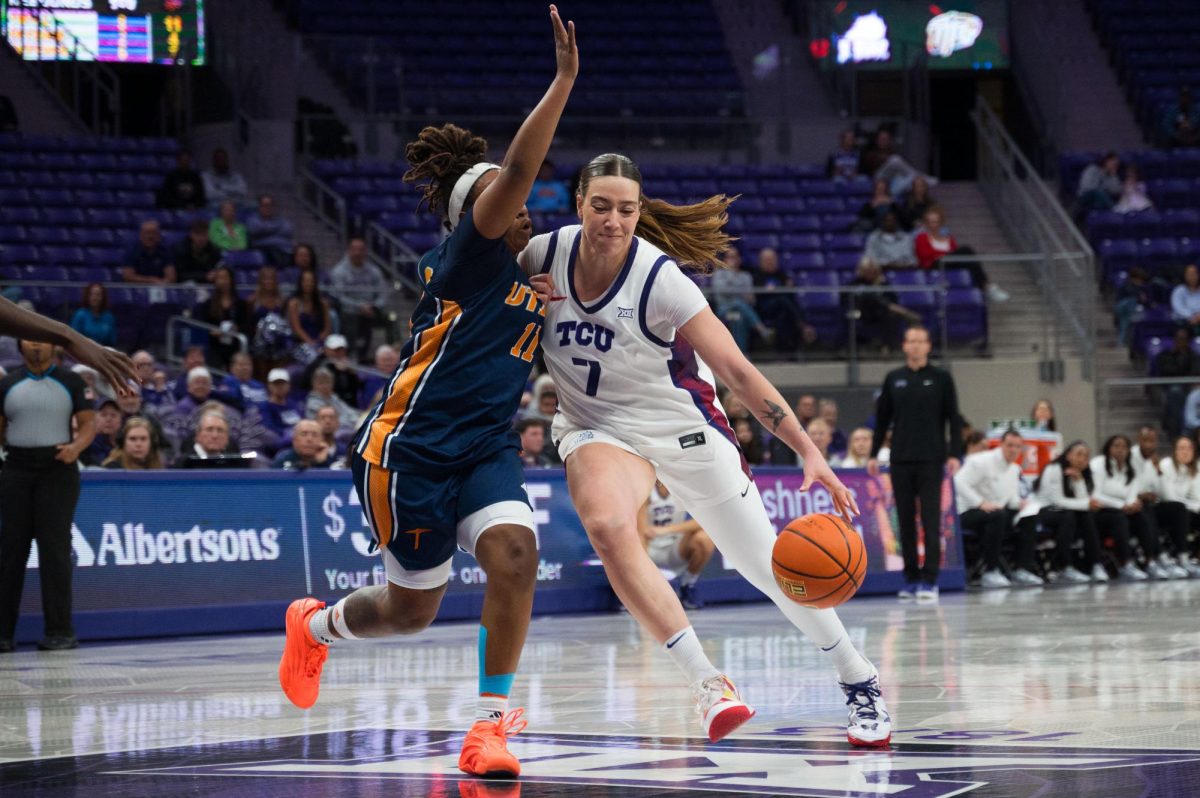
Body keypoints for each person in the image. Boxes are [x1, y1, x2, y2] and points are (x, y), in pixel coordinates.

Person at [279, 11, 579, 780]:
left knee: (517, 554)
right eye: (505, 203)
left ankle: (488, 729)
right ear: (478, 216)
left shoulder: (525, 280)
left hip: (483, 448)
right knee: (411, 612)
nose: (524, 208)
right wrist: (562, 84)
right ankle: (315, 629)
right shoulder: (466, 257)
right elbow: (515, 175)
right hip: (406, 453)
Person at [523, 152, 891, 748]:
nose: (613, 220)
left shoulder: (661, 279)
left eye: (626, 208)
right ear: (578, 205)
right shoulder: (542, 256)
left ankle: (859, 676)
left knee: (770, 569)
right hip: (598, 428)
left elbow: (737, 372)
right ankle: (709, 685)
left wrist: (808, 451)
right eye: (601, 206)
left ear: (639, 212)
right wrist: (518, 296)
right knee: (608, 525)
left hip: (684, 430)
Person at [0, 340, 94, 652]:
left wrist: (75, 448)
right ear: (20, 345)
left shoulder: (71, 381)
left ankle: (60, 631)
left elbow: (88, 425)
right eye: (29, 339)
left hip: (57, 470)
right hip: (16, 469)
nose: (36, 344)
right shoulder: (8, 383)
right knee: (11, 552)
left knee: (55, 551)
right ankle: (3, 634)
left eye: (41, 338)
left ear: (53, 345)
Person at [869, 324, 962, 601]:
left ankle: (930, 579)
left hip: (932, 459)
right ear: (905, 345)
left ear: (929, 345)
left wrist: (955, 453)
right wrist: (874, 453)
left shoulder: (941, 378)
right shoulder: (894, 378)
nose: (916, 346)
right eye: (911, 341)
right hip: (900, 459)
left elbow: (953, 418)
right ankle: (910, 578)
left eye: (921, 341)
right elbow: (883, 419)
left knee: (931, 520)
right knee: (905, 521)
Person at [954, 429, 1041, 588]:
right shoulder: (980, 461)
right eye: (1009, 445)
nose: (1013, 450)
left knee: (1028, 517)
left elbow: (1011, 498)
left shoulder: (1014, 469)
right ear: (1001, 445)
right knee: (998, 515)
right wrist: (980, 502)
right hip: (966, 512)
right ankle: (990, 571)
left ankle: (1022, 569)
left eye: (1017, 446)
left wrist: (1020, 504)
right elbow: (958, 482)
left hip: (994, 513)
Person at [1018, 442, 1106, 584]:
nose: (1082, 459)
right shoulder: (1054, 468)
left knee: (1086, 516)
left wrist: (1079, 481)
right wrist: (1086, 504)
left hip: (1063, 513)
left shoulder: (1082, 474)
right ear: (1068, 455)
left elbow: (1083, 502)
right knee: (1070, 515)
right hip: (1042, 511)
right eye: (1079, 454)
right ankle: (1065, 566)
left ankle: (1095, 564)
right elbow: (1057, 501)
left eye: (1086, 456)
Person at [638, 481, 715, 610]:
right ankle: (636, 590)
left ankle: (687, 584)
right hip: (649, 548)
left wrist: (668, 529)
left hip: (673, 547)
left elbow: (706, 520)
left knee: (705, 538)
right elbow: (640, 533)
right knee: (625, 541)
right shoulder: (645, 490)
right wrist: (643, 575)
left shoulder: (682, 488)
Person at [1091, 435, 1158, 580]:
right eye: (1116, 446)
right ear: (1108, 448)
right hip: (1100, 511)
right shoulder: (1099, 464)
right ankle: (1126, 564)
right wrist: (1122, 505)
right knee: (1119, 518)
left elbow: (1132, 493)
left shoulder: (1131, 468)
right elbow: (1095, 495)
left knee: (1142, 514)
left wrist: (1133, 504)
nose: (1120, 450)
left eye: (1124, 447)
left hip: (1122, 510)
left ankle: (1151, 561)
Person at [1133, 427, 1194, 578]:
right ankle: (1158, 558)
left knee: (1178, 508)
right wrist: (1140, 495)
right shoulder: (1132, 457)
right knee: (1148, 510)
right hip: (1135, 505)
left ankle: (1183, 557)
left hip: (1152, 504)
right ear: (1139, 440)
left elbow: (1161, 491)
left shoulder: (1154, 461)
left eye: (1153, 441)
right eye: (1146, 440)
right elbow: (1129, 486)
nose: (1149, 445)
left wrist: (1158, 473)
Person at [913, 206, 1008, 303]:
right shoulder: (922, 238)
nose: (934, 225)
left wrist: (942, 255)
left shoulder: (947, 237)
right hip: (934, 266)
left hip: (949, 265)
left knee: (967, 257)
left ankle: (984, 288)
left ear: (941, 222)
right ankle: (986, 286)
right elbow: (923, 255)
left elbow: (955, 253)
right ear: (926, 223)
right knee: (965, 250)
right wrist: (942, 255)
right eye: (931, 222)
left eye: (936, 222)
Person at [330, 237, 393, 362]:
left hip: (371, 308)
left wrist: (374, 306)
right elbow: (339, 297)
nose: (358, 253)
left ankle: (394, 350)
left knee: (391, 317)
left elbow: (383, 292)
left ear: (366, 252)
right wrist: (360, 306)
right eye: (355, 249)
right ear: (348, 251)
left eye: (361, 249)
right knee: (349, 316)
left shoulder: (374, 271)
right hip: (350, 310)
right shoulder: (339, 271)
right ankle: (352, 353)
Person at [752, 248, 814, 355]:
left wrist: (780, 288)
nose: (770, 262)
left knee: (784, 315)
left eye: (772, 259)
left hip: (782, 309)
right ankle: (803, 326)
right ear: (761, 261)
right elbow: (757, 295)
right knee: (783, 301)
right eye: (767, 259)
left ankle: (786, 352)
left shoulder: (781, 275)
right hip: (764, 308)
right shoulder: (756, 275)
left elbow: (791, 293)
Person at [710, 247, 772, 353]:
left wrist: (732, 287)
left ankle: (740, 354)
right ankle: (761, 329)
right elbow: (722, 291)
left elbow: (751, 299)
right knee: (739, 303)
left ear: (740, 259)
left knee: (739, 317)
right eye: (730, 257)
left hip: (738, 313)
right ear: (725, 260)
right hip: (724, 312)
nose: (733, 260)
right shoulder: (719, 275)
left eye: (735, 257)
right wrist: (739, 289)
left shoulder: (746, 276)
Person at [194, 265, 251, 369]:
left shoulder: (240, 304)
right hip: (215, 346)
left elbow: (247, 325)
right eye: (220, 278)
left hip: (234, 346)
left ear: (231, 280)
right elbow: (202, 325)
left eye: (225, 278)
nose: (222, 281)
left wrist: (237, 329)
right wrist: (212, 332)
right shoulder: (208, 304)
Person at [1159, 435, 1200, 574]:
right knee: (1180, 509)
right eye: (1182, 448)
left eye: (1189, 448)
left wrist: (1196, 506)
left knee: (1186, 510)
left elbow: (1196, 497)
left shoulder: (1193, 469)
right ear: (1175, 451)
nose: (1186, 452)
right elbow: (1169, 497)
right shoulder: (1166, 464)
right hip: (1163, 508)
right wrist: (1194, 505)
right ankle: (1182, 557)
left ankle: (1196, 557)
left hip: (1183, 509)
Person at [302, 334, 362, 406]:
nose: (339, 353)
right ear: (326, 350)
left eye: (342, 350)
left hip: (348, 404)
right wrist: (337, 371)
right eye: (335, 350)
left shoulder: (348, 364)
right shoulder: (318, 364)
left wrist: (352, 373)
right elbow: (309, 384)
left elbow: (359, 387)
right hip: (326, 404)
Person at [287, 268, 333, 358]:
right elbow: (297, 329)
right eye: (305, 281)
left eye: (311, 281)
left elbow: (327, 327)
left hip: (320, 340)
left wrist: (320, 340)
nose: (308, 284)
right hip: (301, 341)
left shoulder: (323, 303)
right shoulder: (294, 303)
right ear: (300, 283)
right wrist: (311, 343)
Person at [121, 220, 177, 285]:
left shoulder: (166, 252)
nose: (150, 236)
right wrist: (151, 280)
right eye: (147, 233)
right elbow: (128, 276)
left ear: (159, 235)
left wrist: (163, 283)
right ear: (141, 235)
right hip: (137, 288)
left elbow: (171, 277)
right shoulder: (131, 252)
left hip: (160, 288)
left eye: (153, 233)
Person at [245, 194, 295, 265]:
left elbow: (288, 230)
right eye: (265, 205)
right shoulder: (252, 219)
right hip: (263, 249)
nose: (267, 208)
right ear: (259, 207)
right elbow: (255, 230)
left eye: (270, 205)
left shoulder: (280, 219)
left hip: (283, 249)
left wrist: (267, 232)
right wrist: (276, 229)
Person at [768, 393, 816, 466]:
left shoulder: (819, 429)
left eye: (811, 405)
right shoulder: (791, 427)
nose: (808, 408)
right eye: (805, 405)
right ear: (798, 407)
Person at [259, 368, 303, 447]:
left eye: (282, 383)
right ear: (269, 386)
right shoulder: (265, 407)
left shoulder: (294, 405)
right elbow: (269, 428)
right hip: (281, 443)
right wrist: (289, 433)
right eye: (276, 384)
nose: (279, 387)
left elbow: (303, 422)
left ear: (288, 386)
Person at [69, 283, 116, 347]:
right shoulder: (80, 314)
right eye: (92, 294)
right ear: (87, 296)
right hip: (83, 350)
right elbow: (74, 339)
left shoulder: (109, 317)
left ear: (103, 297)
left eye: (98, 295)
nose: (95, 298)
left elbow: (112, 341)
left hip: (104, 351)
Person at [84, 396, 122, 466]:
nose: (109, 419)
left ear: (120, 421)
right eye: (103, 415)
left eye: (113, 415)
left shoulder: (124, 445)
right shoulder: (87, 446)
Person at [1170, 264, 1200, 335]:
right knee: (1181, 333)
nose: (1192, 276)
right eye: (1189, 274)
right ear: (1185, 276)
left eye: (1194, 274)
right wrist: (1193, 317)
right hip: (1184, 322)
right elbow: (1178, 308)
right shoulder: (1178, 290)